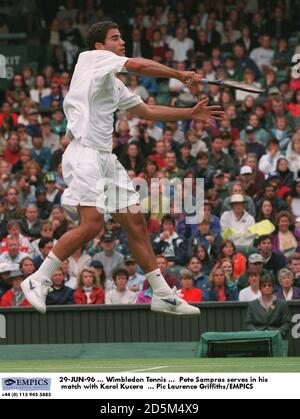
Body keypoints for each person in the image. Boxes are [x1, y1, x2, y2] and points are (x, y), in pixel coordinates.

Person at [22, 21, 223, 315]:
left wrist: (190, 113)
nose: (122, 42)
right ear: (100, 46)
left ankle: (161, 294)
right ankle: (38, 278)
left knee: (136, 223)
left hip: (106, 158)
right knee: (92, 225)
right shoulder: (91, 58)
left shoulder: (113, 84)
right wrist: (179, 74)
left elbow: (147, 110)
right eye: (115, 38)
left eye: (122, 38)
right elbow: (139, 66)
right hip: (85, 153)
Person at [245, 274, 292, 339]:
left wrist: (278, 333)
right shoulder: (252, 305)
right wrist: (256, 333)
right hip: (258, 339)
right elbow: (248, 324)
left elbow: (287, 323)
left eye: (269, 285)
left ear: (273, 287)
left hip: (277, 338)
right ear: (260, 288)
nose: (267, 287)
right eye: (264, 285)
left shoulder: (282, 304)